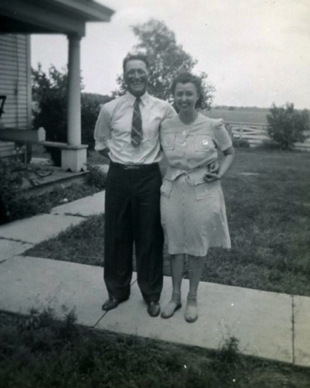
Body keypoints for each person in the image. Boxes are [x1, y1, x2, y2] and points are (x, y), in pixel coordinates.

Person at [94, 54, 176, 317]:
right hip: (118, 178)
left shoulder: (164, 109)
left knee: (150, 236)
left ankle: (152, 295)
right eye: (131, 72)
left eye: (141, 71)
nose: (136, 76)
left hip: (149, 178)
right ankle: (117, 291)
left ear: (148, 73)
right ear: (124, 75)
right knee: (117, 235)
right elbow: (100, 144)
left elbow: (177, 138)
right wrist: (121, 162)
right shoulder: (110, 109)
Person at [160, 72, 235, 323]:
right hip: (172, 189)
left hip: (203, 190)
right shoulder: (166, 125)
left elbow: (229, 152)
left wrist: (219, 173)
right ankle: (175, 297)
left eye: (189, 93)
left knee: (197, 246)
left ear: (198, 95)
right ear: (174, 95)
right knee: (174, 245)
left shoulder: (213, 125)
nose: (184, 98)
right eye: (179, 93)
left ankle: (192, 298)